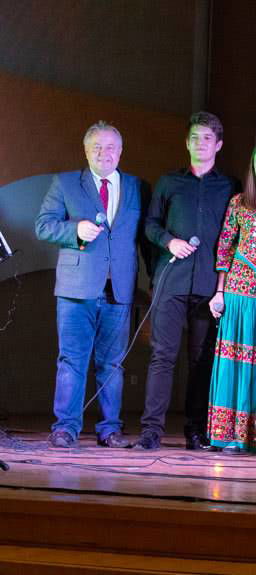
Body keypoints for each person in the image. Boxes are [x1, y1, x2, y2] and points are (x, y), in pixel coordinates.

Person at [35, 121, 142, 448]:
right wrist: (74, 229)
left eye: (110, 147)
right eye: (96, 146)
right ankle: (65, 428)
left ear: (120, 152)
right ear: (85, 151)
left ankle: (110, 429)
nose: (103, 153)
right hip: (76, 289)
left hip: (119, 291)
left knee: (112, 365)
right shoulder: (66, 183)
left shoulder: (137, 187)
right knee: (72, 360)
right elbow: (43, 226)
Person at [136, 111, 238, 451]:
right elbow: (149, 225)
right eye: (194, 138)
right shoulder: (168, 183)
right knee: (162, 356)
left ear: (218, 144)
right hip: (172, 282)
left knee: (201, 360)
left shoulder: (230, 187)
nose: (200, 144)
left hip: (210, 288)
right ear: (187, 142)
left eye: (207, 138)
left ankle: (195, 430)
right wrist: (168, 241)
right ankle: (151, 431)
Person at [205, 141, 256, 454]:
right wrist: (219, 291)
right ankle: (230, 434)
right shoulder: (239, 202)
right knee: (236, 363)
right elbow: (225, 248)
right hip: (239, 294)